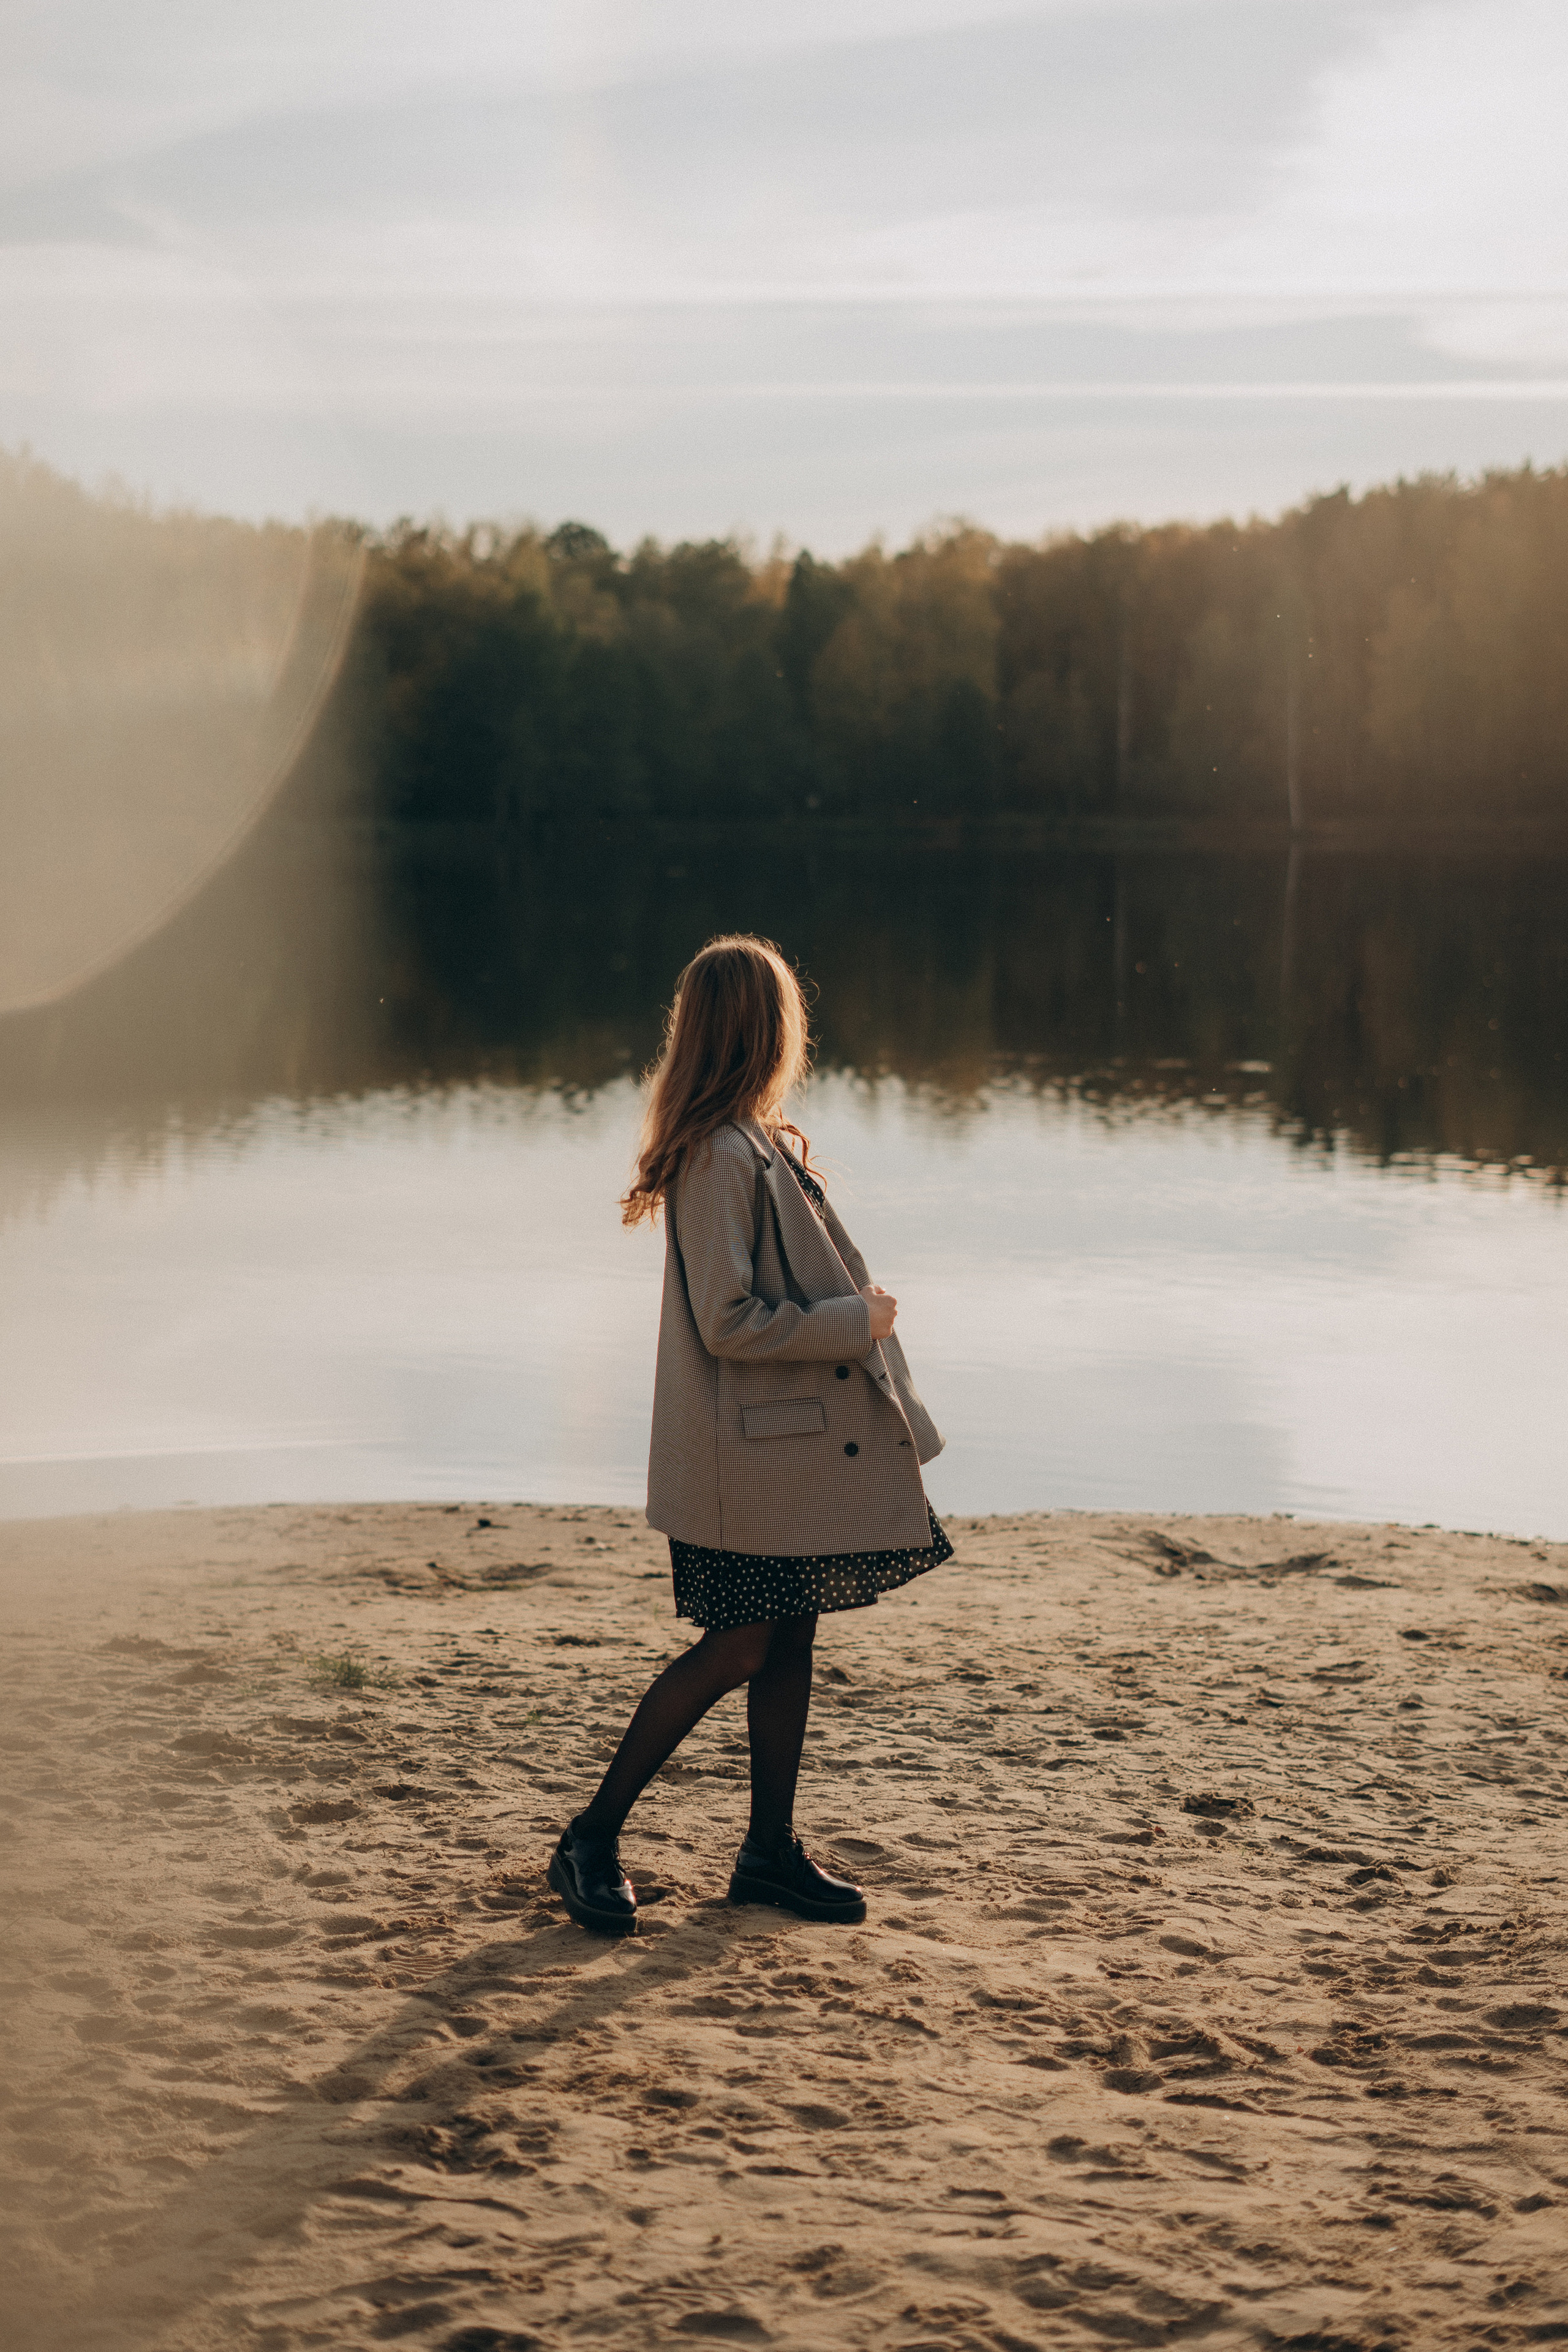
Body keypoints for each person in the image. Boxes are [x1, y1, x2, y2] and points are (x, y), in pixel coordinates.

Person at [548, 933, 952, 1936]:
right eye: (786, 1019)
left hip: (785, 1454)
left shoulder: (755, 1142)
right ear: (766, 1031)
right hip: (746, 1460)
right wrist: (854, 1322)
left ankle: (769, 1853)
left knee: (786, 1642)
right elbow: (729, 1321)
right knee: (738, 1646)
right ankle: (591, 1836)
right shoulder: (722, 1158)